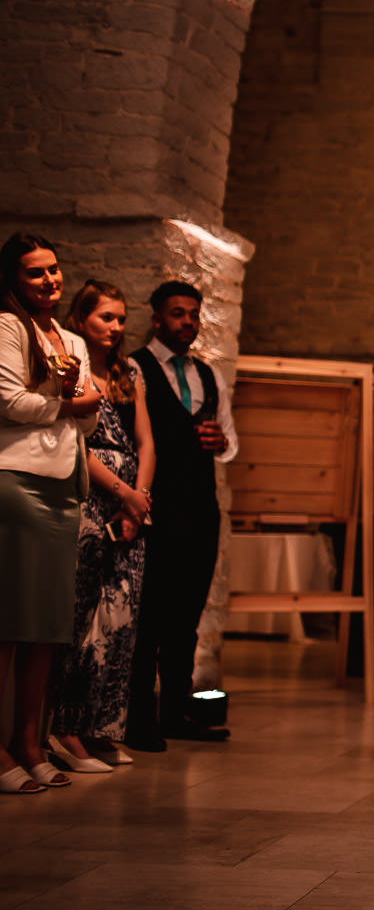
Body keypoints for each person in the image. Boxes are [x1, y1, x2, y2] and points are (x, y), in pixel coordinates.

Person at [0, 233, 99, 793]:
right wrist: (68, 402)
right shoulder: (6, 328)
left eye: (55, 270)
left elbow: (85, 424)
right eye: (35, 273)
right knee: (10, 620)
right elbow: (10, 403)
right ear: (14, 279)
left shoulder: (71, 340)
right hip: (17, 479)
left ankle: (30, 741)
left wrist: (75, 406)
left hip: (64, 483)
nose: (49, 281)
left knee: (46, 627)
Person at [126, 280, 237, 749]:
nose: (187, 322)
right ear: (157, 318)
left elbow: (230, 441)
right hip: (156, 508)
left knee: (187, 618)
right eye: (177, 314)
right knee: (149, 616)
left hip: (201, 510)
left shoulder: (207, 376)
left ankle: (175, 712)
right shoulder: (135, 367)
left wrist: (222, 443)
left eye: (193, 314)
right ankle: (138, 719)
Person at [50, 281, 155, 771]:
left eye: (120, 318)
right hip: (93, 494)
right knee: (82, 618)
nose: (115, 327)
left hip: (132, 503)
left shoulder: (129, 370)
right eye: (105, 318)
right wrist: (124, 493)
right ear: (81, 318)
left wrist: (140, 501)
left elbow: (146, 440)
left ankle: (100, 728)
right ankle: (65, 729)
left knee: (120, 621)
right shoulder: (73, 366)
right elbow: (76, 439)